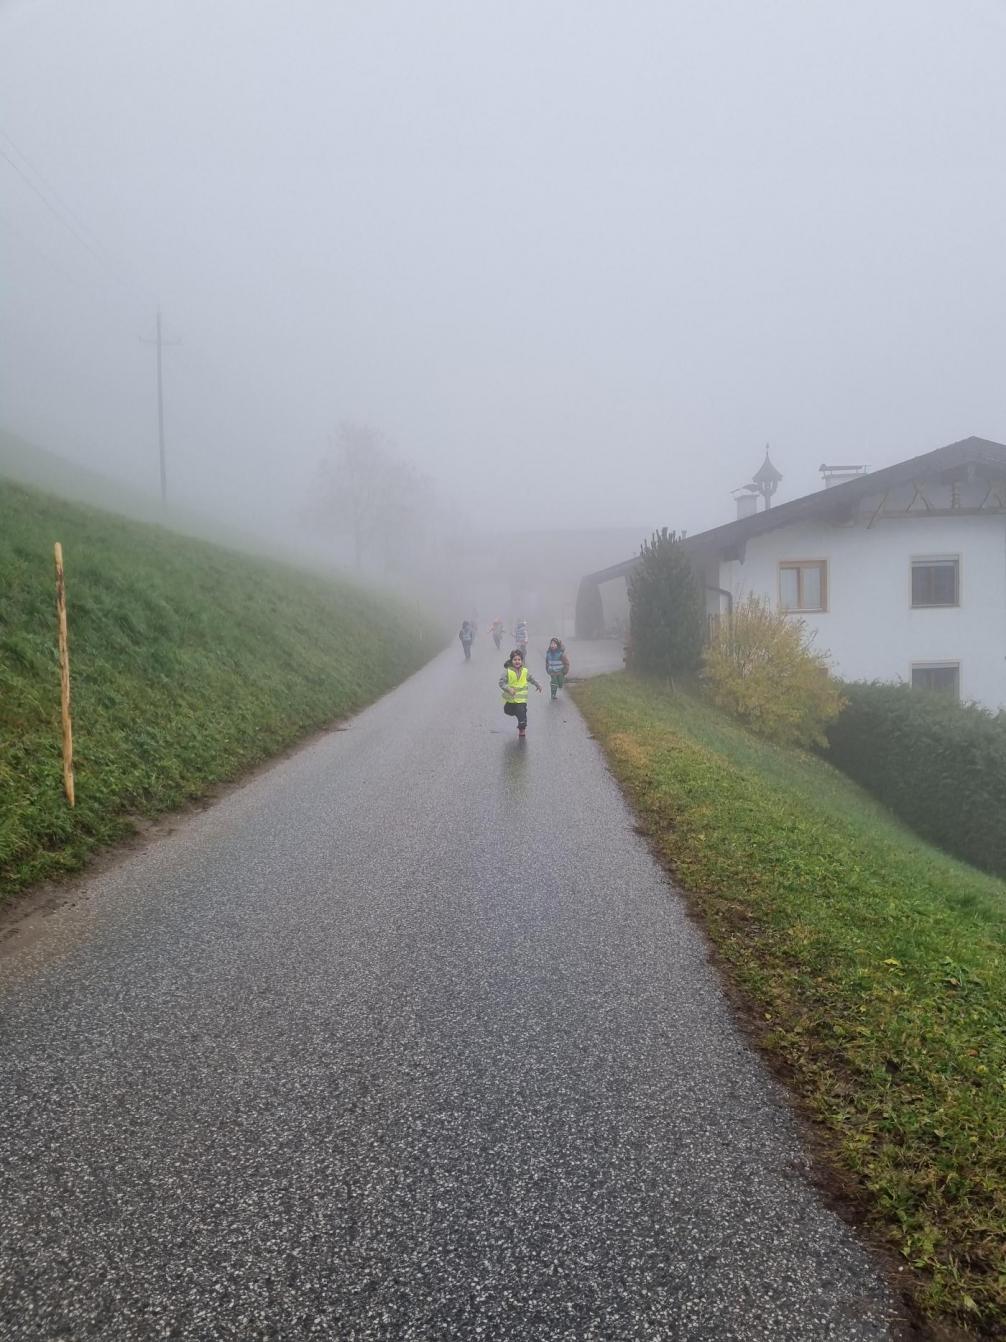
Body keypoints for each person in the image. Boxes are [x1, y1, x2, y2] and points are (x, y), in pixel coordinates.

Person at [499, 647, 542, 738]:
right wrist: (508, 689)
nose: (517, 661)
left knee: (521, 712)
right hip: (511, 698)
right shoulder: (508, 672)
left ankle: (522, 728)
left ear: (522, 661)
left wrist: (538, 685)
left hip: (522, 699)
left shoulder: (525, 671)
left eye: (519, 659)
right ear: (511, 661)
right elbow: (501, 683)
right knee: (507, 711)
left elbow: (531, 679)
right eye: (515, 659)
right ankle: (520, 714)